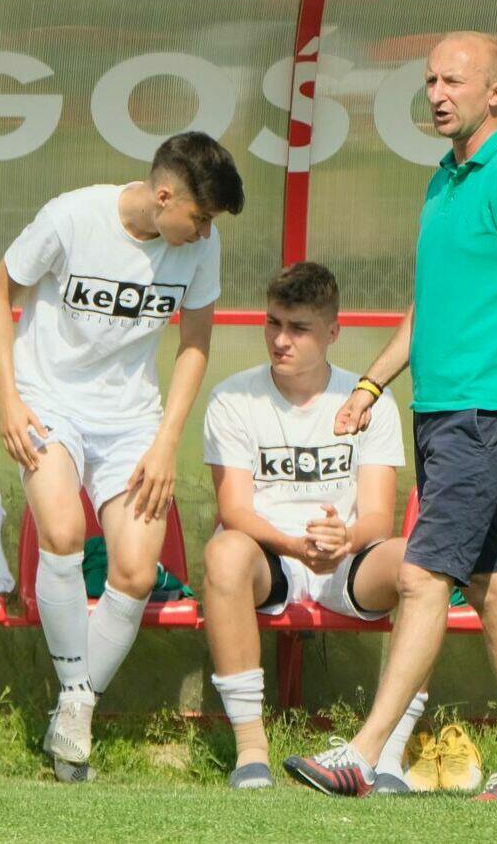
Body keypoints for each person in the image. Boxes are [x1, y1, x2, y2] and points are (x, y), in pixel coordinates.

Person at [283, 30, 497, 802]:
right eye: (431, 81)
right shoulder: (443, 180)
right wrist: (370, 385)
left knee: (421, 576)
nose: (437, 95)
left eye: (454, 82)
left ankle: (364, 752)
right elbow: (429, 308)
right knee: (494, 587)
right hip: (441, 412)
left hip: (485, 414)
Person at [0, 131, 244, 782]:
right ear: (164, 196)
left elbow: (195, 343)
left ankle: (74, 706)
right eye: (201, 217)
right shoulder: (71, 216)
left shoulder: (201, 246)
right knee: (63, 532)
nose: (206, 232)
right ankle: (77, 707)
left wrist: (165, 441)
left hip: (132, 421)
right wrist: (9, 401)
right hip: (49, 402)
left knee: (135, 571)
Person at [201, 262, 432, 793]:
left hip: (347, 557)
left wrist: (344, 541)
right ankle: (251, 751)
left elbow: (378, 516)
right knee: (224, 553)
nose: (280, 340)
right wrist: (293, 545)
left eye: (298, 328)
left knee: (421, 562)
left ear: (333, 332)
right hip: (270, 556)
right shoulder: (233, 398)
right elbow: (234, 511)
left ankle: (388, 754)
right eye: (273, 323)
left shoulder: (367, 399)